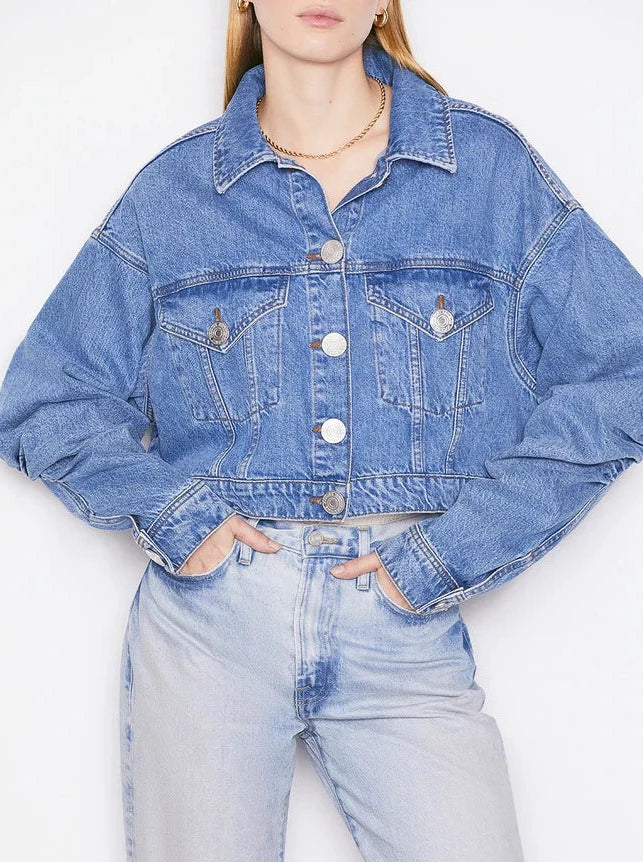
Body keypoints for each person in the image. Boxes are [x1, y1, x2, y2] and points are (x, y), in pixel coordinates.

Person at [0, 1, 641, 860]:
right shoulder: (176, 194)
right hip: (212, 627)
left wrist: (450, 553)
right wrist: (179, 520)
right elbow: (47, 395)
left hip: (401, 620)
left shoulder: (485, 171)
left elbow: (624, 366)